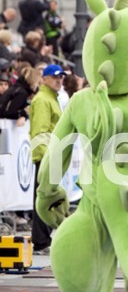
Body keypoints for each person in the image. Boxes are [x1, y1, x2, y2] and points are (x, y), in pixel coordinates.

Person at [30, 64, 66, 254]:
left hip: (52, 155)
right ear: (44, 79)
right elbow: (40, 131)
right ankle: (41, 241)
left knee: (47, 198)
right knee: (43, 198)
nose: (59, 80)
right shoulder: (43, 100)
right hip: (46, 157)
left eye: (61, 77)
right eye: (54, 77)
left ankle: (43, 239)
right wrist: (46, 158)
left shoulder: (51, 98)